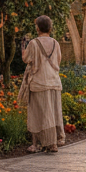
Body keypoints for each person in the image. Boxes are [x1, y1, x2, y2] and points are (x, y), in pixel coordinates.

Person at [23, 15, 65, 154]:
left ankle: (35, 145)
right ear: (50, 28)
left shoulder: (33, 43)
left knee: (36, 113)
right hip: (54, 82)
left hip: (38, 83)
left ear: (37, 27)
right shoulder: (55, 43)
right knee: (53, 113)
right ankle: (53, 143)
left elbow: (26, 59)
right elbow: (58, 61)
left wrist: (23, 47)